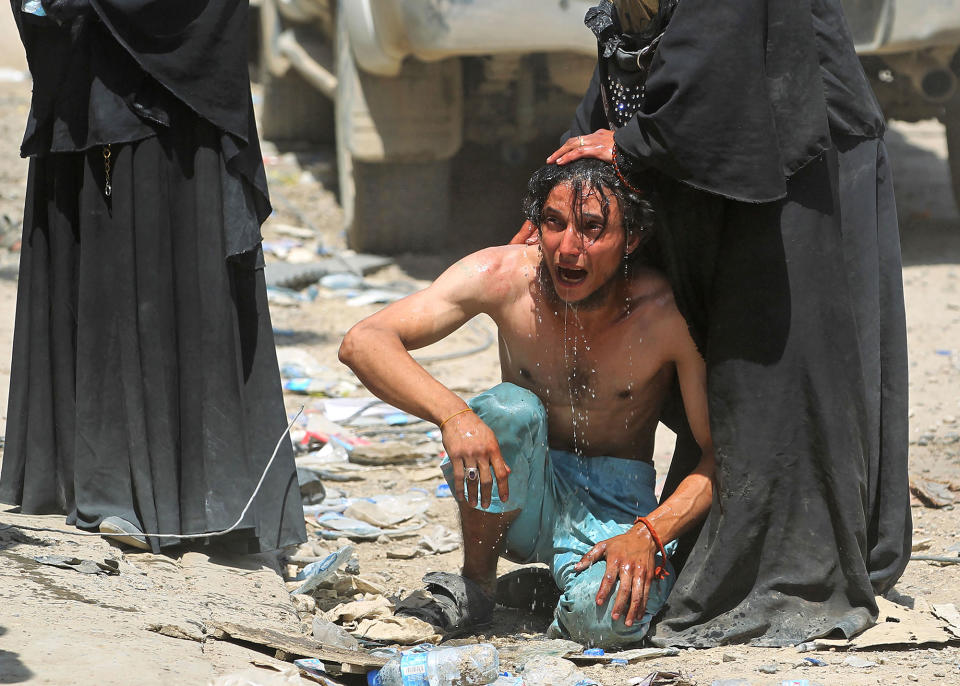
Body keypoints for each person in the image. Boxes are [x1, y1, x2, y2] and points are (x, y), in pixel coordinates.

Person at [514, 0, 911, 646]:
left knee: (774, 371)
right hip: (716, 122)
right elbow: (627, 63)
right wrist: (568, 179)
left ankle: (797, 563)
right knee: (729, 372)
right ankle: (733, 533)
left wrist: (633, 144)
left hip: (782, 137)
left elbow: (713, 51)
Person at [340, 159, 715, 647]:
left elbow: (717, 457)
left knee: (602, 622)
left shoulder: (665, 316)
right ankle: (476, 584)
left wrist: (648, 534)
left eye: (592, 228)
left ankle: (553, 594)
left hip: (613, 504)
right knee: (508, 409)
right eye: (554, 223)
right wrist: (455, 416)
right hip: (518, 492)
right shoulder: (503, 275)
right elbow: (363, 341)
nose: (567, 246)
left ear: (633, 238)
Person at [0, 0, 306, 553]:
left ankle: (180, 497)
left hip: (169, 99)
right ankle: (104, 481)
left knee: (166, 282)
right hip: (84, 81)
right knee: (102, 278)